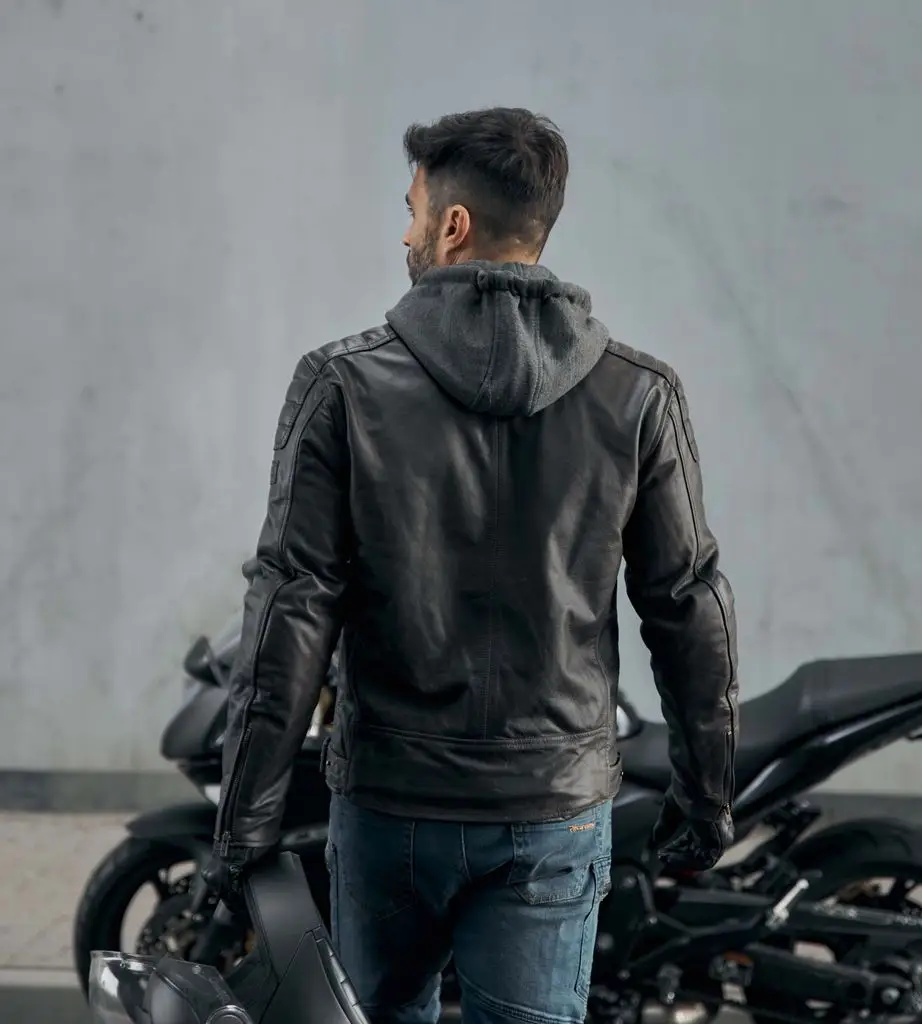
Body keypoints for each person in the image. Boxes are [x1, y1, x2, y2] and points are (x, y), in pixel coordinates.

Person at [203, 107, 738, 1024]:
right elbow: (686, 604)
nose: (405, 233)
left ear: (452, 225)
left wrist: (246, 818)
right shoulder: (640, 394)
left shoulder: (342, 386)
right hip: (552, 804)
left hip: (391, 803)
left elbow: (291, 609)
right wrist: (707, 791)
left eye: (411, 210)